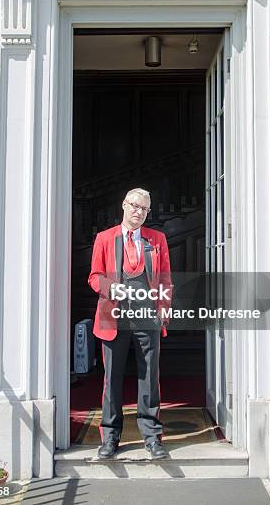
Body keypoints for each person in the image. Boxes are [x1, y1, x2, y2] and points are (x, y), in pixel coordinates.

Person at [88, 188, 173, 459]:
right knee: (111, 379)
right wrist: (112, 288)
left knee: (149, 378)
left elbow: (165, 280)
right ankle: (110, 438)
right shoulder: (104, 238)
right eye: (135, 206)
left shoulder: (156, 239)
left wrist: (163, 309)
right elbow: (94, 276)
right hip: (114, 318)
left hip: (147, 317)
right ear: (124, 205)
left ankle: (152, 437)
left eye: (144, 209)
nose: (139, 212)